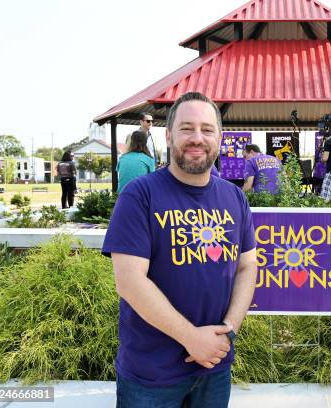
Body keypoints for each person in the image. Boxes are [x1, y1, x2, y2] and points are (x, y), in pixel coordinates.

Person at [102, 92, 257, 407]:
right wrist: (191, 338)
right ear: (169, 135)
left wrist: (228, 331)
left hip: (215, 368)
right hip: (151, 376)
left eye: (207, 129)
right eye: (187, 128)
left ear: (219, 137)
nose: (197, 138)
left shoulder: (235, 198)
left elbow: (247, 267)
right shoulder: (140, 195)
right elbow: (129, 281)